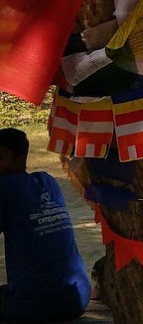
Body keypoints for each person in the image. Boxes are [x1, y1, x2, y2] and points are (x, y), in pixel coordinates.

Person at [0, 128, 91, 323]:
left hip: (32, 307)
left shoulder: (5, 187)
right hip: (79, 297)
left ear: (20, 158)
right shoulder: (48, 181)